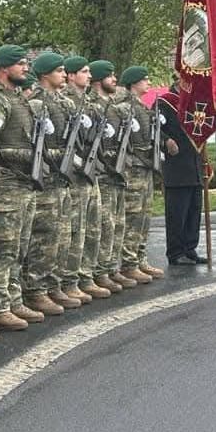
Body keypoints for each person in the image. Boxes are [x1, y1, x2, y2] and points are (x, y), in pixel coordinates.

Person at [0, 45, 36, 331]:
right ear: (3, 68)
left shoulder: (17, 99)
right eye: (20, 63)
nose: (25, 68)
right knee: (2, 247)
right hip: (6, 184)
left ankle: (13, 298)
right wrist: (20, 155)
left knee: (19, 247)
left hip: (23, 184)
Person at [24, 52, 77, 315]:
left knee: (61, 235)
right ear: (45, 75)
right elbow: (36, 147)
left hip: (62, 180)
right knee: (44, 237)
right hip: (46, 179)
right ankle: (36, 289)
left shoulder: (64, 103)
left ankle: (53, 283)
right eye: (59, 71)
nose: (64, 75)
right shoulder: (36, 104)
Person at [60, 56, 109, 300]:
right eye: (84, 72)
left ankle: (86, 275)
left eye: (90, 72)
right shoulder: (67, 101)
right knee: (75, 229)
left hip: (92, 171)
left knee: (92, 227)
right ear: (70, 75)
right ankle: (71, 279)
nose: (89, 76)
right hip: (75, 175)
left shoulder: (89, 102)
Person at [84, 60, 131, 292]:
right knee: (101, 225)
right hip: (102, 171)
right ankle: (98, 271)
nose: (114, 79)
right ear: (98, 79)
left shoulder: (114, 105)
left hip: (115, 169)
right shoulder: (91, 105)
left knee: (116, 223)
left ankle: (110, 267)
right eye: (110, 75)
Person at [117, 66, 164, 282]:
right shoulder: (125, 108)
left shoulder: (142, 108)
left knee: (145, 216)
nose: (148, 83)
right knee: (133, 217)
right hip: (133, 170)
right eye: (144, 79)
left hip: (144, 170)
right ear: (133, 83)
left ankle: (139, 257)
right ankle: (128, 262)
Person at [157, 84, 207, 265]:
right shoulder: (165, 102)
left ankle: (190, 248)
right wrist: (166, 140)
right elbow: (154, 126)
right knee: (177, 214)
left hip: (193, 166)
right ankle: (176, 252)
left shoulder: (194, 104)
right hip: (176, 167)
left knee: (194, 212)